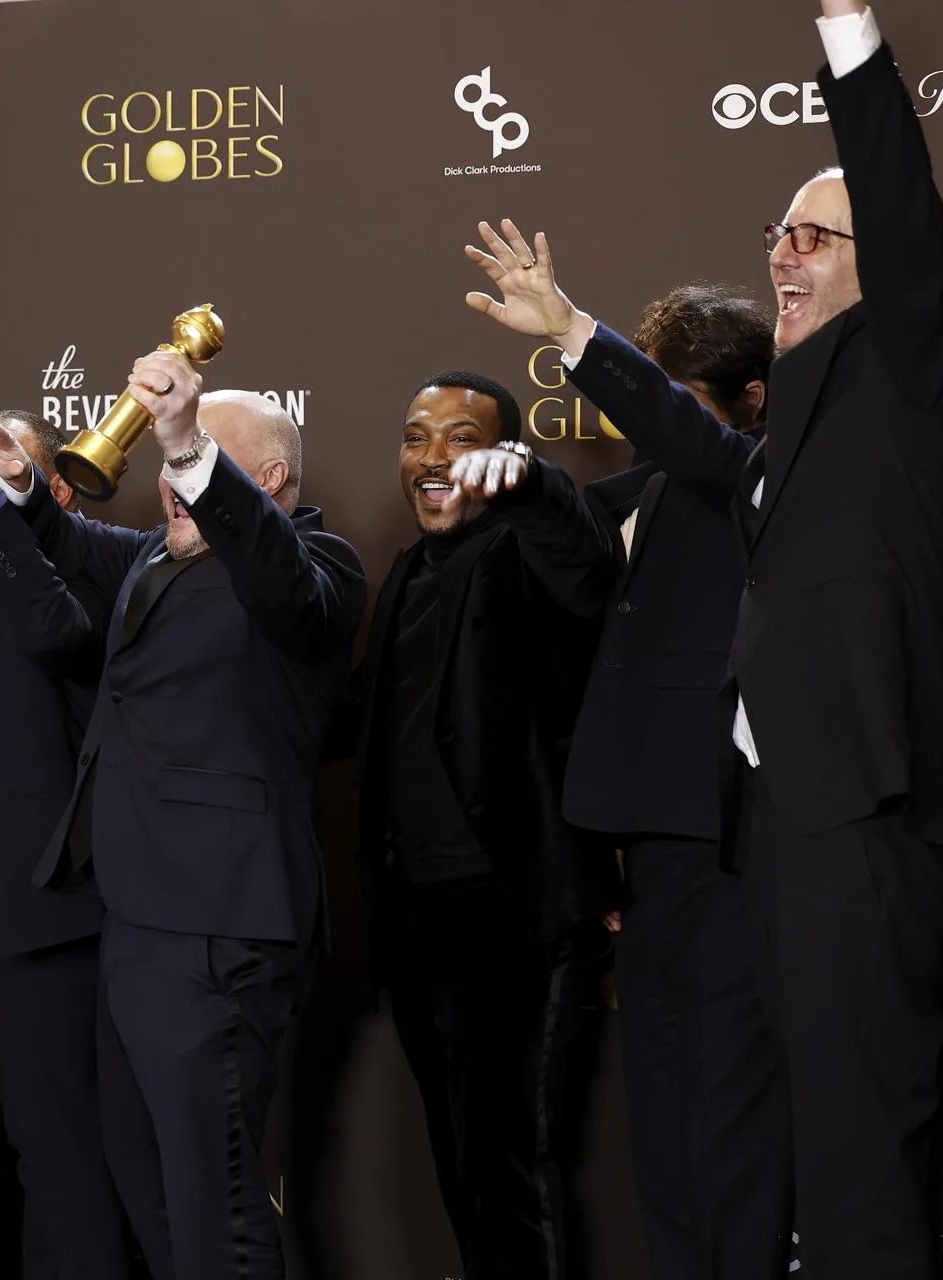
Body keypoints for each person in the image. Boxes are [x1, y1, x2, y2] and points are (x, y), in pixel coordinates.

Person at [463, 4, 943, 1272]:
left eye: (811, 235)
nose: (781, 255)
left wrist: (849, 36)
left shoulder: (918, 375)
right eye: (774, 234)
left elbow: (904, 216)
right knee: (786, 1143)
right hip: (778, 825)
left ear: (874, 265)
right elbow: (705, 452)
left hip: (870, 813)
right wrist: (576, 332)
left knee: (860, 1160)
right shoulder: (796, 430)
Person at [0, 365, 365, 1280]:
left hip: (221, 930)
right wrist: (13, 486)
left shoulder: (319, 569)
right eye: (168, 462)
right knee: (149, 1194)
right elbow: (73, 541)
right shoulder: (157, 557)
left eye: (195, 460)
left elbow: (277, 577)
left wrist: (186, 445)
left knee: (214, 1207)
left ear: (259, 481)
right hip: (136, 922)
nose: (164, 483)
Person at [345, 370, 618, 1280]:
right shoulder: (409, 572)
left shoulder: (525, 552)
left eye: (461, 438)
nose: (431, 457)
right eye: (416, 436)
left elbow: (582, 567)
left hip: (510, 912)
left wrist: (533, 483)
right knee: (461, 1169)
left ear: (503, 453)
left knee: (507, 1170)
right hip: (418, 916)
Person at [559, 287, 793, 1280]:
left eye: (677, 400)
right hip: (648, 854)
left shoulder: (773, 479)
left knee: (733, 1125)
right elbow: (554, 515)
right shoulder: (628, 500)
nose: (651, 422)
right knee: (661, 1119)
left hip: (740, 840)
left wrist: (573, 333)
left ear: (753, 401)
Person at [0, 409, 131, 1279]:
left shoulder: (86, 576)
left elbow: (53, 634)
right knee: (52, 1164)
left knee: (74, 1169)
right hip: (7, 923)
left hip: (68, 919)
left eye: (7, 470)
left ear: (52, 494)